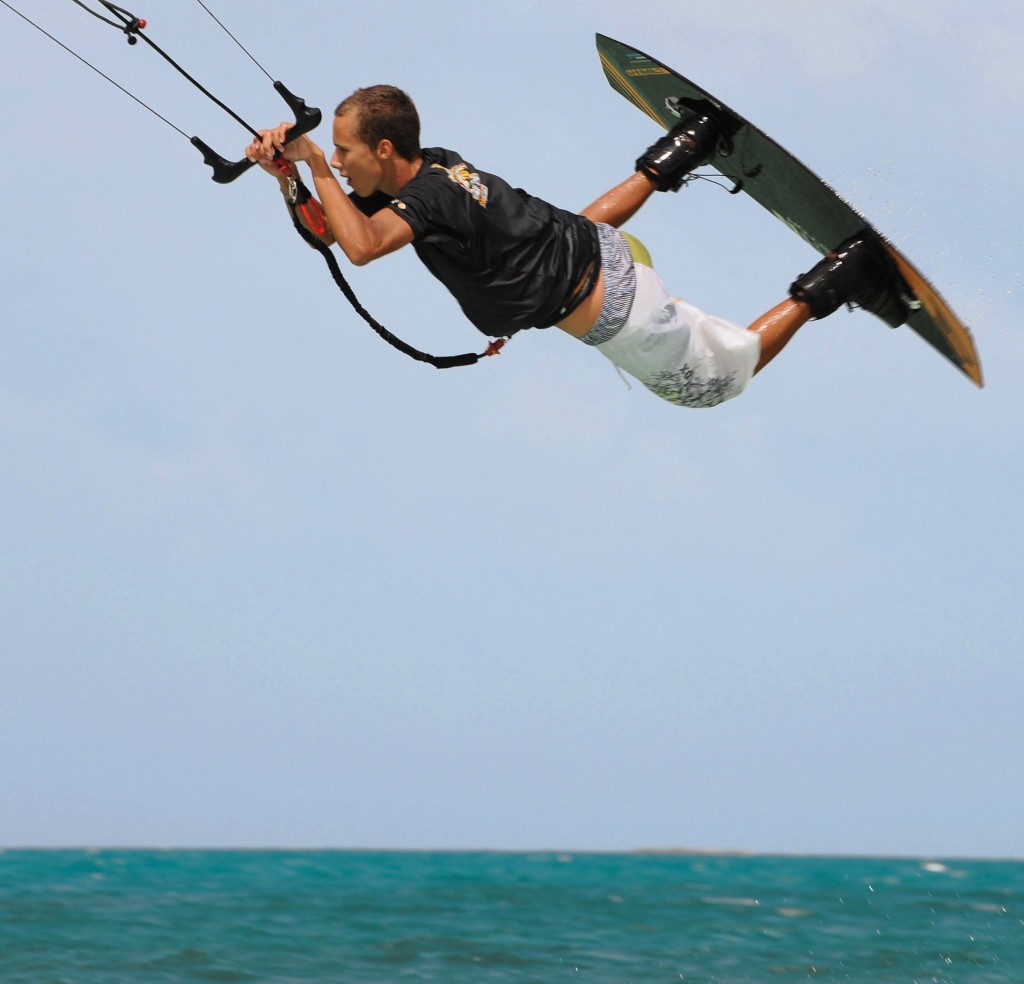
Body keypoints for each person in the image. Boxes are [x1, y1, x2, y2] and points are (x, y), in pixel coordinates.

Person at [246, 84, 906, 409]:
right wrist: (290, 178)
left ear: (383, 151)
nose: (336, 158)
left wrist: (317, 168)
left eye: (344, 150)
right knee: (575, 225)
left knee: (712, 385)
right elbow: (331, 231)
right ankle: (689, 145)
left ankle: (843, 276)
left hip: (614, 307)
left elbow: (359, 249)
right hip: (599, 243)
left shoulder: (425, 201)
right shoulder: (435, 167)